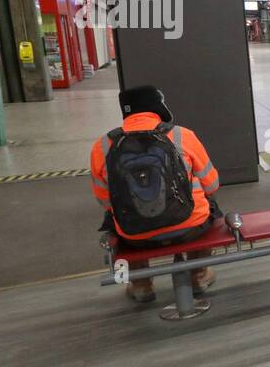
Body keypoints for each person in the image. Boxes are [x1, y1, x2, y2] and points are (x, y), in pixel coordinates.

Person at [90, 85, 221, 303]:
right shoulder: (181, 135)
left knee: (115, 219)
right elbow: (212, 185)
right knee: (210, 207)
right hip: (190, 227)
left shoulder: (102, 146)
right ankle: (198, 276)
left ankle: (141, 285)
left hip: (136, 236)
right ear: (157, 108)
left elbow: (104, 200)